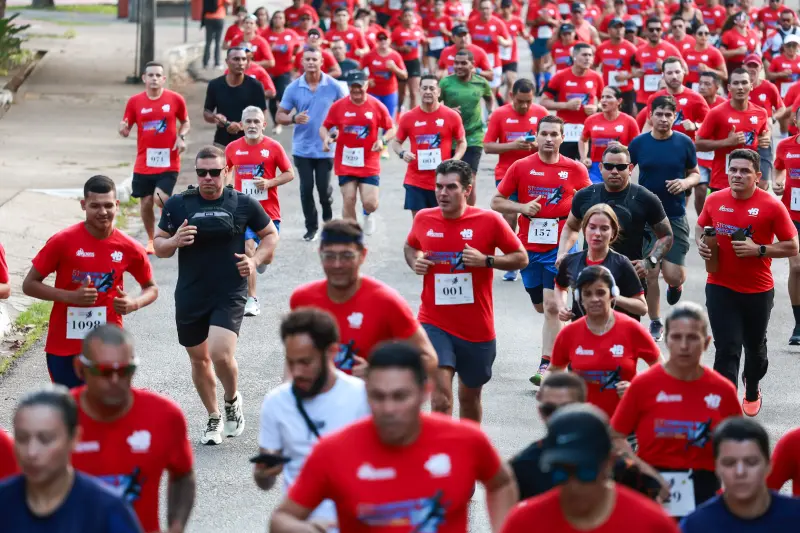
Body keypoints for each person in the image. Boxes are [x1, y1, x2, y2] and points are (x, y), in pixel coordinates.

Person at [270, 342, 519, 533]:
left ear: (425, 392)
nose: (389, 409)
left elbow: (501, 483)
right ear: (366, 392)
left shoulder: (465, 440)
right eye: (379, 396)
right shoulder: (333, 450)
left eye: (400, 396)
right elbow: (282, 518)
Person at [154, 146, 280, 445]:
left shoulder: (243, 203)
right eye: (202, 172)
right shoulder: (178, 204)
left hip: (229, 291)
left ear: (226, 171)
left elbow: (271, 234)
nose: (208, 178)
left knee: (220, 354)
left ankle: (232, 399)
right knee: (199, 361)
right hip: (191, 292)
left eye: (214, 172)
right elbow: (158, 245)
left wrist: (255, 261)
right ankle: (213, 417)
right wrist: (174, 240)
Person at [405, 159, 527, 422]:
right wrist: (416, 261)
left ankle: (468, 453)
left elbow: (521, 257)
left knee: (469, 399)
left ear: (467, 190)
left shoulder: (489, 221)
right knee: (441, 399)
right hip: (434, 322)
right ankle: (443, 457)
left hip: (476, 327)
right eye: (438, 187)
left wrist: (487, 261)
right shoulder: (425, 218)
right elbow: (410, 246)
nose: (442, 193)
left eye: (450, 187)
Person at [22, 176, 158, 389]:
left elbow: (151, 287)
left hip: (109, 345)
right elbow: (29, 284)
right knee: (71, 411)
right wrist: (70, 296)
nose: (102, 212)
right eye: (95, 205)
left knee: (107, 410)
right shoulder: (62, 241)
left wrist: (135, 303)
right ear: (84, 205)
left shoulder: (129, 247)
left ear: (117, 205)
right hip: (64, 345)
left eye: (108, 205)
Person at [611, 302, 743, 520]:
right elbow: (616, 436)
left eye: (692, 338)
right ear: (667, 340)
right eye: (676, 337)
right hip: (653, 485)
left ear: (707, 342)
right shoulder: (643, 386)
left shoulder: (722, 391)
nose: (684, 346)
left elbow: (741, 443)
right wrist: (643, 472)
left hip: (705, 489)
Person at [696, 148, 798, 416]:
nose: (737, 175)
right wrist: (701, 244)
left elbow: (792, 246)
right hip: (719, 285)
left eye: (744, 171)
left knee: (755, 349)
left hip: (757, 290)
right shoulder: (714, 200)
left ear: (757, 175)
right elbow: (701, 226)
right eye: (733, 170)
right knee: (727, 348)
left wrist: (760, 250)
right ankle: (726, 409)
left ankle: (752, 386)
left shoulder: (771, 205)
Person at [491, 115, 590, 386]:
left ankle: (549, 364)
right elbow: (496, 201)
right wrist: (521, 208)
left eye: (554, 134)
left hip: (561, 244)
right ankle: (565, 337)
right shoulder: (521, 167)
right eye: (543, 134)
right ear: (536, 137)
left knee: (552, 306)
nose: (548, 139)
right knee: (540, 306)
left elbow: (590, 202)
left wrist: (584, 230)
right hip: (528, 247)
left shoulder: (575, 169)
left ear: (562, 137)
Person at [70, 325, 195, 533]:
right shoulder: (57, 417)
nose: (115, 381)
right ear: (79, 368)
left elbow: (183, 474)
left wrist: (176, 526)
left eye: (125, 371)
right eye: (105, 371)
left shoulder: (164, 416)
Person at [254, 308, 370, 530]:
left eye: (305, 362)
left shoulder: (363, 397)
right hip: (302, 525)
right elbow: (264, 482)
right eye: (291, 362)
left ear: (331, 353)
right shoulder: (276, 403)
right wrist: (262, 473)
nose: (296, 372)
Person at [501, 404, 680, 533]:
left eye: (586, 472)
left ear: (610, 463)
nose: (573, 485)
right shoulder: (524, 522)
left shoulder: (651, 524)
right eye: (561, 473)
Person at [291, 219, 437, 375]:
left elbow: (428, 358)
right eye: (330, 256)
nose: (337, 264)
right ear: (320, 254)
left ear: (362, 255)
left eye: (347, 256)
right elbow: (292, 360)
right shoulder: (302, 300)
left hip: (369, 398)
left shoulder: (386, 302)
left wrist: (380, 372)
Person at [0, 385, 144, 532]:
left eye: (46, 439)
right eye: (22, 438)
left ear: (74, 438)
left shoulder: (107, 511)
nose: (31, 452)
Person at [510, 373, 664, 502]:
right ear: (540, 411)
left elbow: (653, 493)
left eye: (566, 407)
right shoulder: (523, 465)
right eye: (549, 409)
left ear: (582, 406)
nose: (558, 415)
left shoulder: (613, 462)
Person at [629, 95, 701, 341]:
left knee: (672, 274)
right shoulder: (639, 143)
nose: (663, 119)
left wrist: (684, 182)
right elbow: (625, 169)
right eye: (658, 114)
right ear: (650, 115)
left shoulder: (684, 143)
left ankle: (675, 285)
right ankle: (656, 321)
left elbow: (695, 174)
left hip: (675, 215)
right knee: (649, 272)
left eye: (668, 115)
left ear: (675, 117)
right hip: (647, 217)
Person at [552, 262, 657, 415]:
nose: (594, 299)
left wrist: (638, 388)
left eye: (601, 293)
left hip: (627, 422)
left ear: (612, 295)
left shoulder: (631, 329)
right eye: (587, 294)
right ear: (579, 298)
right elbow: (554, 371)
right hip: (583, 422)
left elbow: (661, 367)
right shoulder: (569, 333)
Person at [559, 144, 673, 286]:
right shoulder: (585, 196)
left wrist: (650, 261)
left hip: (630, 276)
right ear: (600, 168)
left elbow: (666, 236)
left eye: (620, 167)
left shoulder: (645, 198)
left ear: (630, 169)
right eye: (608, 166)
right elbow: (571, 227)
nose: (614, 171)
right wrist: (562, 253)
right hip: (590, 276)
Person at [225, 106, 294, 317]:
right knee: (248, 249)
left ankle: (262, 260)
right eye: (248, 121)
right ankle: (252, 299)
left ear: (264, 125)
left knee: (266, 256)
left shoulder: (273, 147)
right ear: (242, 124)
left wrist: (269, 182)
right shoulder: (232, 148)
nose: (252, 125)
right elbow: (226, 172)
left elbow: (289, 174)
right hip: (243, 211)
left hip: (268, 212)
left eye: (256, 121)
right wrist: (227, 191)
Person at [681, 418, 800, 531]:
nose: (740, 472)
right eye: (729, 463)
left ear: (768, 466)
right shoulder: (695, 526)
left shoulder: (794, 518)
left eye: (751, 462)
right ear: (716, 467)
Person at [120, 61, 189, 255]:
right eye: (151, 75)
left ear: (164, 79)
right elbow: (126, 126)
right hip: (144, 161)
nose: (154, 79)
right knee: (146, 202)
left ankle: (165, 227)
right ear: (144, 78)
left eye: (158, 75)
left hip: (169, 160)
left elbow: (185, 122)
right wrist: (123, 129)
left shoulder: (175, 99)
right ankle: (152, 239)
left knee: (160, 199)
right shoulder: (135, 101)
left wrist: (181, 137)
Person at [277, 49, 346, 242]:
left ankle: (328, 218)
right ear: (302, 62)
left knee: (323, 190)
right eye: (307, 59)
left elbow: (345, 111)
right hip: (302, 148)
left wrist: (336, 133)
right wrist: (293, 118)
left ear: (322, 61)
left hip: (326, 148)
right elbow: (279, 115)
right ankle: (311, 227)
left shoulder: (333, 86)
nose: (311, 62)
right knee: (306, 189)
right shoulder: (293, 87)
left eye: (314, 59)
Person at [484, 78, 548, 281]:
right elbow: (488, 146)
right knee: (510, 217)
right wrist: (513, 146)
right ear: (511, 96)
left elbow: (551, 143)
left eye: (528, 101)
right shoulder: (499, 114)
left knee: (536, 217)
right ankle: (511, 259)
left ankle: (536, 257)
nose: (525, 106)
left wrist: (537, 147)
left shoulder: (541, 114)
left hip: (535, 174)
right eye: (520, 101)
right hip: (507, 173)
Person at [320, 70, 395, 233]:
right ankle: (353, 235)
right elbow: (325, 127)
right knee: (349, 199)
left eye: (359, 87)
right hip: (346, 160)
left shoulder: (376, 106)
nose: (356, 91)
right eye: (352, 87)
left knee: (371, 203)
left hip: (369, 160)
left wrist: (382, 141)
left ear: (367, 85)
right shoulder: (339, 106)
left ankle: (367, 214)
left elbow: (391, 129)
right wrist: (326, 138)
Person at [391, 75, 467, 217]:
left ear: (438, 91)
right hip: (415, 179)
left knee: (442, 220)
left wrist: (454, 159)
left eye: (432, 88)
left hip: (442, 181)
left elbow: (462, 142)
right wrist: (403, 153)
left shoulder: (451, 116)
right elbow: (396, 143)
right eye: (424, 88)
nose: (428, 91)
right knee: (420, 221)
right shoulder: (408, 117)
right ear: (419, 90)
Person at [554, 207, 647, 322]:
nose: (597, 233)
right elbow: (560, 287)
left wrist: (612, 297)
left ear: (613, 232)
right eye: (592, 227)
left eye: (604, 228)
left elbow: (642, 308)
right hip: (583, 333)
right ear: (584, 229)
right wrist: (561, 306)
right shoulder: (571, 261)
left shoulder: (622, 263)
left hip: (615, 334)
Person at [696, 69, 770, 192]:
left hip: (749, 181)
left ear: (751, 86)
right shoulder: (716, 113)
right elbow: (698, 144)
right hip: (722, 181)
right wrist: (727, 142)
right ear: (729, 87)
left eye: (744, 83)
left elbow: (764, 135)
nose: (740, 87)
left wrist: (765, 138)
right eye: (736, 83)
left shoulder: (760, 113)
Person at [438, 49, 493, 200]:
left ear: (472, 65)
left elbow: (489, 98)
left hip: (473, 136)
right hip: (451, 137)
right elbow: (432, 106)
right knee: (449, 179)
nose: (459, 66)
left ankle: (469, 215)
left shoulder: (481, 82)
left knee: (470, 179)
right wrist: (447, 110)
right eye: (456, 63)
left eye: (463, 63)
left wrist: (491, 112)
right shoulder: (445, 82)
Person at [540, 43, 605, 161]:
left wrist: (597, 108)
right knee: (564, 169)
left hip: (588, 131)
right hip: (566, 131)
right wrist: (566, 105)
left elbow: (605, 102)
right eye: (584, 55)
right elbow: (543, 101)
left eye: (590, 55)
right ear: (574, 56)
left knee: (586, 168)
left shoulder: (596, 77)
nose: (588, 58)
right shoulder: (560, 76)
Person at [203, 47, 268, 147]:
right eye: (236, 59)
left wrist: (242, 126)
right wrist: (215, 118)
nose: (241, 63)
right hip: (222, 143)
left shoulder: (255, 86)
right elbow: (207, 112)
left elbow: (262, 113)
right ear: (227, 61)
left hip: (250, 143)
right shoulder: (215, 85)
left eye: (244, 59)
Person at [774, 110, 800, 344]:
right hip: (792, 213)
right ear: (795, 121)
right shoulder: (785, 146)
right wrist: (778, 181)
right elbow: (779, 167)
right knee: (797, 266)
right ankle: (799, 324)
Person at [579, 87, 640, 184]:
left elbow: (638, 147)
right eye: (602, 97)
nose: (604, 100)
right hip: (596, 167)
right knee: (597, 197)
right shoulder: (591, 120)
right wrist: (584, 157)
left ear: (619, 101)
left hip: (619, 167)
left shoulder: (629, 121)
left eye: (608, 97)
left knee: (618, 197)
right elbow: (583, 140)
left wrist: (623, 147)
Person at [644, 57, 710, 141]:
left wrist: (695, 126)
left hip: (685, 149)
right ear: (663, 75)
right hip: (660, 147)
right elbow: (649, 124)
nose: (674, 76)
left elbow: (710, 124)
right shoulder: (654, 98)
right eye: (669, 73)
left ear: (683, 72)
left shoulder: (696, 98)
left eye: (677, 72)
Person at [630, 18, 683, 113]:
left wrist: (664, 67)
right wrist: (636, 73)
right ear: (645, 31)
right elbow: (633, 68)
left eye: (658, 29)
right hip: (643, 98)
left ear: (662, 30)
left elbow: (684, 70)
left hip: (665, 97)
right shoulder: (639, 50)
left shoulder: (671, 49)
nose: (655, 32)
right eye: (651, 30)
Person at [693, 71, 728, 216]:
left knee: (720, 194)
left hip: (718, 155)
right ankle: (703, 221)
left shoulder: (724, 106)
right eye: (700, 83)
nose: (702, 87)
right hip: (699, 153)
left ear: (717, 87)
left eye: (707, 84)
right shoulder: (693, 102)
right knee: (700, 191)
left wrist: (696, 126)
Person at [262, 10, 300, 135]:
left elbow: (299, 46)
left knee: (282, 95)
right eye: (276, 17)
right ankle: (276, 123)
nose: (278, 20)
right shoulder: (266, 34)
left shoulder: (290, 34)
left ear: (285, 20)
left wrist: (295, 56)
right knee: (272, 100)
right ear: (272, 19)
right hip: (269, 73)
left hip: (285, 71)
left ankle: (288, 116)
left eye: (281, 18)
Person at [594, 18, 639, 117]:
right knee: (607, 117)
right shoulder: (602, 48)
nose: (619, 30)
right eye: (615, 27)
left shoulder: (631, 48)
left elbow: (640, 71)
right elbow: (594, 66)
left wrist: (626, 76)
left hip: (625, 91)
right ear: (609, 30)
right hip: (608, 90)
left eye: (621, 27)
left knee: (627, 118)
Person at [468, 0, 512, 96]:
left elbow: (509, 41)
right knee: (477, 91)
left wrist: (503, 42)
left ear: (492, 9)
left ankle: (491, 109)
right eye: (483, 8)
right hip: (477, 61)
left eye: (487, 8)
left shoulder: (498, 23)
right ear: (479, 9)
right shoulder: (471, 22)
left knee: (491, 92)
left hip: (493, 62)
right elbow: (467, 40)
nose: (485, 11)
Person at [363, 29, 408, 120]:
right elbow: (359, 70)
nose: (383, 41)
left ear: (389, 40)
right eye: (380, 39)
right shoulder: (370, 55)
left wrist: (394, 68)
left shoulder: (395, 56)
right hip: (373, 93)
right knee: (371, 120)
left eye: (385, 39)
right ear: (376, 41)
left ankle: (386, 134)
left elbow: (404, 75)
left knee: (388, 120)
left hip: (390, 92)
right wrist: (366, 79)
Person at [391, 8, 426, 113]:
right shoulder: (397, 30)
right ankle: (398, 114)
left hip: (414, 62)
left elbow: (424, 42)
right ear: (402, 18)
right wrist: (400, 48)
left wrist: (424, 59)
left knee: (414, 93)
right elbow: (391, 46)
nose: (408, 18)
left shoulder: (418, 30)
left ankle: (413, 116)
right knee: (401, 94)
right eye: (405, 16)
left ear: (414, 18)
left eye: (410, 16)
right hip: (401, 63)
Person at [682, 24, 727, 93]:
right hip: (688, 86)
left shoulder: (715, 52)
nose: (703, 36)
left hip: (707, 87)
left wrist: (708, 70)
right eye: (700, 33)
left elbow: (725, 75)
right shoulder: (686, 52)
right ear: (694, 35)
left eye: (706, 33)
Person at [202, 0, 228, 70]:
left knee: (208, 42)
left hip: (208, 17)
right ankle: (217, 63)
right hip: (219, 17)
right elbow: (228, 2)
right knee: (217, 42)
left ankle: (205, 63)